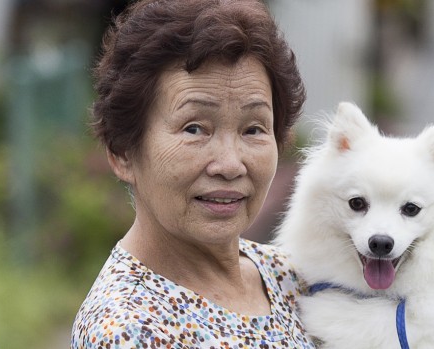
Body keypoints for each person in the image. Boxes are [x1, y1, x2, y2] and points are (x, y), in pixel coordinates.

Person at [70, 0, 314, 347]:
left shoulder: (292, 278)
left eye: (253, 129)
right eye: (195, 128)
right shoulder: (131, 328)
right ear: (122, 151)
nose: (230, 165)